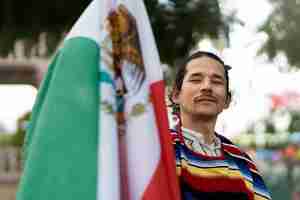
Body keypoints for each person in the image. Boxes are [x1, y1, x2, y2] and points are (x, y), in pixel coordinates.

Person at [169, 51, 272, 200]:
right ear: (176, 95)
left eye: (217, 81)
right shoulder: (162, 150)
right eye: (196, 79)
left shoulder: (243, 164)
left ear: (227, 101)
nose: (207, 87)